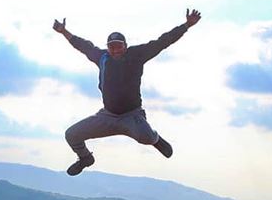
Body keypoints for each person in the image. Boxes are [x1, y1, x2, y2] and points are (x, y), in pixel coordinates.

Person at [53, 9, 202, 176]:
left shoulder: (137, 55)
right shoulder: (102, 57)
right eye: (112, 46)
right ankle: (85, 158)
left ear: (125, 45)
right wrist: (63, 31)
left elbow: (163, 41)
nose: (115, 50)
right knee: (71, 135)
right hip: (107, 116)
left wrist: (187, 25)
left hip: (132, 116)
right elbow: (82, 45)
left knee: (145, 137)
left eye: (119, 46)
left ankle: (156, 139)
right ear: (107, 47)